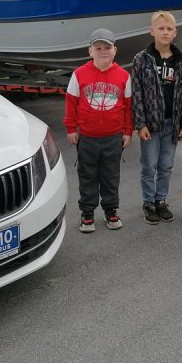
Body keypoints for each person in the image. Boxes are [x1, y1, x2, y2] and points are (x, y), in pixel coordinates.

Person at [64, 28, 132, 233]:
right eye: (98, 48)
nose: (103, 51)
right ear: (90, 51)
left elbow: (128, 106)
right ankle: (87, 212)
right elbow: (71, 103)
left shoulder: (123, 76)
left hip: (113, 138)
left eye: (107, 47)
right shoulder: (78, 75)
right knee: (87, 175)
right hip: (87, 137)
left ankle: (111, 210)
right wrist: (71, 128)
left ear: (115, 50)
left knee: (110, 176)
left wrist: (128, 130)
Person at [131, 11, 182, 225]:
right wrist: (139, 124)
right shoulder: (141, 59)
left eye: (169, 29)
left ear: (175, 33)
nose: (165, 32)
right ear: (152, 31)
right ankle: (148, 202)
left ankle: (161, 200)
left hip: (172, 123)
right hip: (150, 125)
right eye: (161, 28)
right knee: (149, 165)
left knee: (166, 164)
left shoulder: (181, 62)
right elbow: (137, 94)